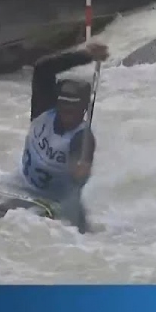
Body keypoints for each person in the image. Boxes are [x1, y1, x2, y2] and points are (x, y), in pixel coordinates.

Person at [19, 41, 109, 231]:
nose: (68, 112)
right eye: (64, 106)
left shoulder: (82, 138)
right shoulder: (43, 112)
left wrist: (80, 172)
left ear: (84, 110)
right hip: (23, 185)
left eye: (74, 109)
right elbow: (43, 68)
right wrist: (86, 55)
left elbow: (80, 167)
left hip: (60, 203)